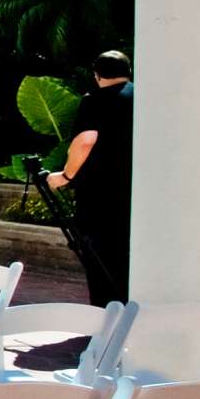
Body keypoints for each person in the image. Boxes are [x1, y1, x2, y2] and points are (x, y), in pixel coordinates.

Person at [48, 49, 133, 306]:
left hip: (100, 192)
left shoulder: (95, 100)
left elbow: (86, 140)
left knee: (100, 255)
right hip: (137, 189)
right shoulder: (144, 97)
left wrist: (66, 175)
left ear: (97, 76)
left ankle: (104, 315)